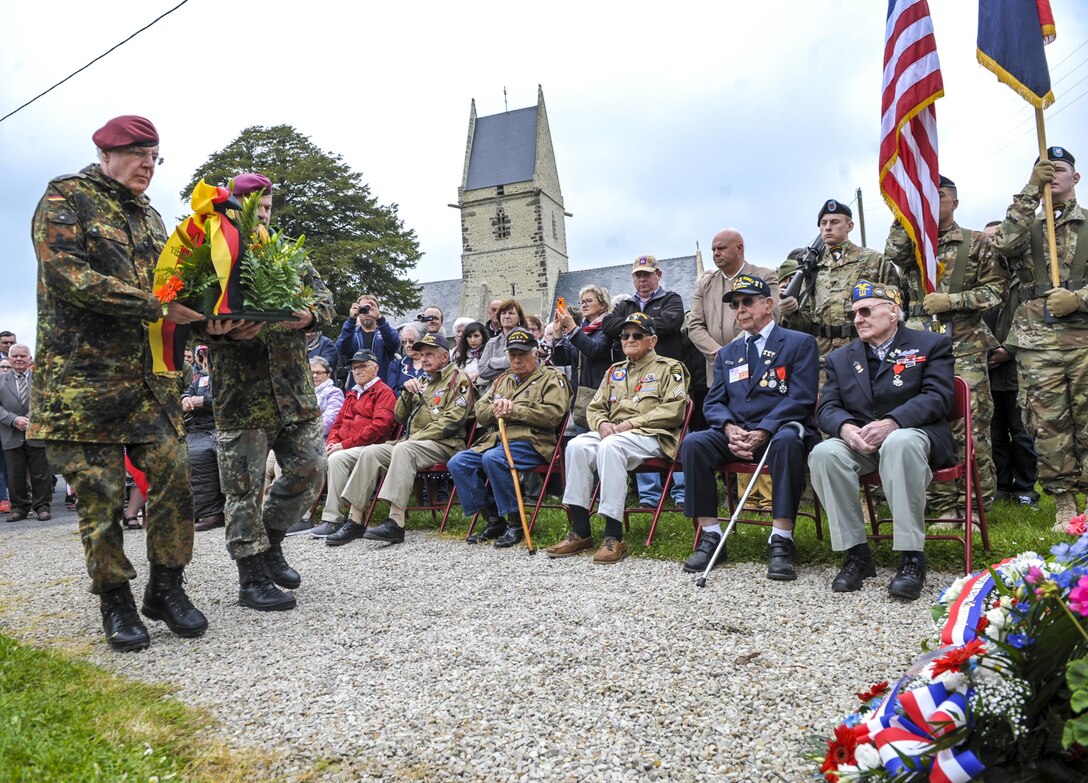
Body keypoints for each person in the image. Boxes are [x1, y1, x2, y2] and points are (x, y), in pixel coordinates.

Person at [30, 115, 207, 651]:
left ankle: (166, 587)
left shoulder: (153, 219)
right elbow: (69, 276)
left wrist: (210, 315)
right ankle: (115, 599)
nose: (147, 166)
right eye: (137, 156)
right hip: (83, 386)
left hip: (150, 381)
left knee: (175, 482)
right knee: (102, 497)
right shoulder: (67, 198)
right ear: (107, 154)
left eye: (154, 158)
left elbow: (175, 285)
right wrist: (156, 304)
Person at [202, 171, 335, 612]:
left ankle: (272, 541)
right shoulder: (213, 251)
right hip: (243, 398)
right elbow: (194, 316)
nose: (262, 215)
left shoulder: (286, 253)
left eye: (267, 208)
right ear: (234, 206)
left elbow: (325, 300)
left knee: (310, 471)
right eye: (254, 207)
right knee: (242, 489)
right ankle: (251, 577)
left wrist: (309, 316)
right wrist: (220, 333)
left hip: (294, 390)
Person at [808, 281, 954, 600]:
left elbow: (939, 396)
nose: (858, 319)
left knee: (899, 443)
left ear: (892, 312)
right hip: (863, 443)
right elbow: (827, 407)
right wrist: (845, 429)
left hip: (916, 437)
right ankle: (857, 555)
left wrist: (893, 422)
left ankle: (911, 557)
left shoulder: (930, 344)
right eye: (854, 313)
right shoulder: (840, 358)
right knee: (824, 453)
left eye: (865, 311)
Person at [680, 276, 818, 579]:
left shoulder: (798, 343)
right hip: (737, 433)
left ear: (768, 304)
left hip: (778, 429)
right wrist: (729, 428)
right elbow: (714, 402)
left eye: (747, 302)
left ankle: (781, 540)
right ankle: (711, 535)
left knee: (787, 442)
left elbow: (802, 397)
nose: (740, 309)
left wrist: (764, 430)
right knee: (694, 444)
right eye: (735, 304)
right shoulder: (728, 353)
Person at [884, 175, 1006, 517]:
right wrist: (904, 211)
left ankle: (972, 505)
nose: (931, 202)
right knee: (924, 421)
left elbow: (997, 291)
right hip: (919, 344)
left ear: (954, 201)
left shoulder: (977, 242)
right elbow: (891, 252)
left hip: (963, 343)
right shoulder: (914, 244)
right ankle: (939, 505)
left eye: (937, 196)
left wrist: (952, 300)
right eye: (923, 196)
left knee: (970, 424)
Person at [990, 147, 1088, 528]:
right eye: (1044, 169)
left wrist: (1077, 298)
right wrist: (1031, 189)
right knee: (1047, 423)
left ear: (1076, 178)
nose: (1051, 174)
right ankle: (1065, 502)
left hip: (1083, 338)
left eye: (1058, 169)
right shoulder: (1026, 226)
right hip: (1036, 341)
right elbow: (1000, 244)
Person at [546, 313, 689, 564]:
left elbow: (674, 409)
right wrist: (601, 424)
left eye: (637, 335)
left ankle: (614, 536)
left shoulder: (670, 368)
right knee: (577, 446)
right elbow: (595, 407)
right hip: (615, 434)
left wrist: (631, 423)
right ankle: (581, 530)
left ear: (652, 340)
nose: (629, 339)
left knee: (611, 446)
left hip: (652, 435)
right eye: (624, 335)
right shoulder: (614, 371)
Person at [324, 333, 473, 545]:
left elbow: (452, 421)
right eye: (422, 355)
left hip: (444, 444)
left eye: (430, 354)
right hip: (411, 442)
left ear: (444, 357)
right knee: (370, 452)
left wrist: (414, 439)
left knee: (404, 450)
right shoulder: (422, 380)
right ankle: (355, 520)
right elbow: (400, 417)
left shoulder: (459, 379)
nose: (425, 359)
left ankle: (396, 522)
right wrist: (406, 394)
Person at [448, 328, 570, 546]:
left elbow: (553, 415)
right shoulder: (503, 379)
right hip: (496, 440)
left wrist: (515, 410)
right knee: (458, 462)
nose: (516, 360)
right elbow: (480, 412)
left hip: (533, 442)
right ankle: (494, 519)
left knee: (493, 459)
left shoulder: (551, 378)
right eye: (512, 355)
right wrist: (496, 409)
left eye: (522, 354)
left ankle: (515, 523)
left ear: (535, 354)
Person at [602, 255, 687, 506]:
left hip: (667, 372)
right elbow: (608, 324)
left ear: (658, 275)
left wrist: (635, 323)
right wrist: (643, 326)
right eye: (638, 275)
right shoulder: (627, 302)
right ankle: (649, 496)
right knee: (636, 425)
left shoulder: (671, 298)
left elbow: (672, 321)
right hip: (634, 375)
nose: (642, 280)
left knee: (676, 425)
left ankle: (681, 491)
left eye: (647, 274)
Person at [780, 199, 896, 361]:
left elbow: (894, 307)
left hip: (865, 350)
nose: (828, 227)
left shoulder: (874, 260)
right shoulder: (811, 267)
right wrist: (790, 313)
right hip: (823, 356)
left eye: (835, 222)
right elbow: (805, 322)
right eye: (823, 223)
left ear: (849, 226)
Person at [312, 349, 398, 538]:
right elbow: (337, 423)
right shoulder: (352, 394)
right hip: (346, 446)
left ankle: (333, 519)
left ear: (375, 368)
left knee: (336, 459)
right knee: (313, 456)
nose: (357, 371)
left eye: (362, 366)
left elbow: (380, 427)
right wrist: (333, 441)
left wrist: (344, 445)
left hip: (370, 447)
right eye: (354, 368)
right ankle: (301, 515)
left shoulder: (384, 393)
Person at [688, 229, 781, 384]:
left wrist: (731, 351)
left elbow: (773, 314)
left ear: (739, 248)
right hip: (718, 370)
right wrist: (720, 355)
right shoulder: (704, 284)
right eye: (713, 249)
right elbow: (694, 325)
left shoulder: (765, 276)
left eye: (721, 248)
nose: (716, 253)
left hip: (757, 365)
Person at [0, 344, 52, 522]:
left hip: (37, 433)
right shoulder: (1, 379)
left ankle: (42, 507)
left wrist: (31, 419)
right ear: (9, 357)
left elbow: (48, 402)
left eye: (23, 355)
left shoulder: (42, 380)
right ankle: (19, 508)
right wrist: (13, 420)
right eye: (15, 356)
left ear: (30, 358)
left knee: (41, 473)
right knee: (15, 474)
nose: (19, 359)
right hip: (10, 433)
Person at [551, 284, 616, 403]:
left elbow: (595, 350)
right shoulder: (581, 330)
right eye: (581, 302)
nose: (584, 305)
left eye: (589, 301)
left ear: (602, 305)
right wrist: (557, 335)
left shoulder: (608, 327)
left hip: (602, 394)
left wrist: (572, 328)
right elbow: (561, 360)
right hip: (580, 395)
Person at [181, 360, 224, 531]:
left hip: (221, 426)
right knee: (183, 450)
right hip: (197, 428)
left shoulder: (228, 377)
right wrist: (185, 399)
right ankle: (194, 511)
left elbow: (232, 399)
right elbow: (188, 392)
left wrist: (204, 401)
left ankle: (213, 513)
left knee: (200, 453)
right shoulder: (199, 378)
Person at [335, 294, 399, 389]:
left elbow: (394, 345)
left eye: (370, 308)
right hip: (357, 388)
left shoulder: (386, 331)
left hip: (383, 388)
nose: (366, 313)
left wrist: (380, 319)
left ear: (377, 310)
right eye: (362, 309)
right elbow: (341, 348)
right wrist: (351, 320)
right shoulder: (352, 333)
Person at [477, 298, 526, 386]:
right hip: (495, 390)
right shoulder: (492, 342)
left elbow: (517, 364)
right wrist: (507, 367)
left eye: (511, 313)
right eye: (503, 313)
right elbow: (482, 371)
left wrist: (491, 362)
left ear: (519, 318)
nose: (506, 316)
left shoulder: (524, 337)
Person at [388, 322, 428, 394]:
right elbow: (392, 392)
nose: (407, 345)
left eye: (411, 341)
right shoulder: (396, 365)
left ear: (422, 340)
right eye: (404, 342)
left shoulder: (432, 363)